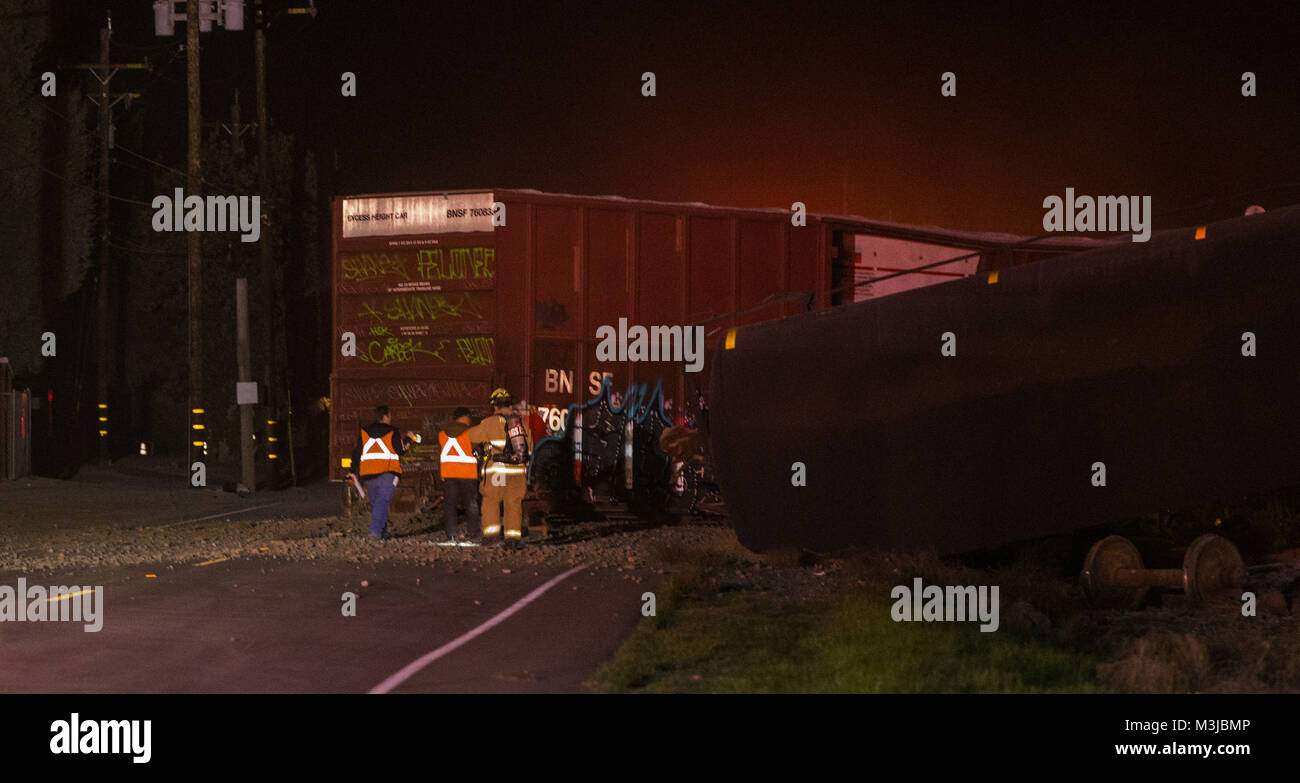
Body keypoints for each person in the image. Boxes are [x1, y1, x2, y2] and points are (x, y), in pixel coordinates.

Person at [466, 388, 533, 549]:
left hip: (497, 470)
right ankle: (512, 539)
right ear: (510, 405)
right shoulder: (522, 423)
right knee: (514, 504)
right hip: (517, 472)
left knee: (491, 501)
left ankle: (492, 536)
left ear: (495, 406)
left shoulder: (489, 422)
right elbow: (529, 448)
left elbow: (471, 436)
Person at [347, 405, 415, 539]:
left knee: (376, 503)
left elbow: (356, 452)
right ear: (386, 416)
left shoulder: (364, 432)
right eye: (390, 416)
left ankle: (381, 532)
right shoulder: (392, 431)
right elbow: (400, 451)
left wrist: (352, 470)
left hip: (368, 473)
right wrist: (408, 439)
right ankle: (375, 532)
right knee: (382, 502)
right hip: (387, 472)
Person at [437, 406, 479, 546]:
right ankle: (472, 533)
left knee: (450, 505)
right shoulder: (470, 432)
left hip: (449, 474)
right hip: (468, 474)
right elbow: (477, 450)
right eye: (469, 417)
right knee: (471, 504)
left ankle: (451, 535)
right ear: (464, 417)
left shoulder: (442, 434)